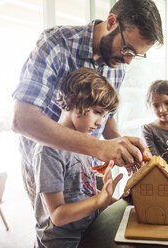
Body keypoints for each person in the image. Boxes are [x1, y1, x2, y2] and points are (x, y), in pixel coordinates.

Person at [11, 0, 163, 207]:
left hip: (87, 168)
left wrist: (121, 146)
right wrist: (99, 147)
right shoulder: (55, 44)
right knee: (58, 233)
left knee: (93, 231)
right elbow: (22, 120)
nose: (128, 61)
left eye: (136, 55)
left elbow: (106, 117)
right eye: (127, 50)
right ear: (111, 22)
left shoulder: (117, 65)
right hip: (48, 168)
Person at [33, 68, 123, 248]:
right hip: (61, 242)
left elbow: (82, 196)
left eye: (104, 116)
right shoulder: (48, 149)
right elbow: (58, 215)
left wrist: (118, 202)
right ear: (72, 100)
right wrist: (99, 200)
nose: (100, 122)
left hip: (86, 233)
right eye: (97, 112)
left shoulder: (84, 144)